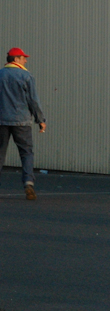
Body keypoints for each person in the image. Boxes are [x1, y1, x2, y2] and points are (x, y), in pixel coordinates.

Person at [0, 47, 47, 201]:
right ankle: (28, 183)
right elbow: (33, 101)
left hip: (1, 120)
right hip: (21, 121)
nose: (25, 60)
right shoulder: (26, 76)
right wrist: (40, 120)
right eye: (23, 57)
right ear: (16, 59)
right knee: (26, 153)